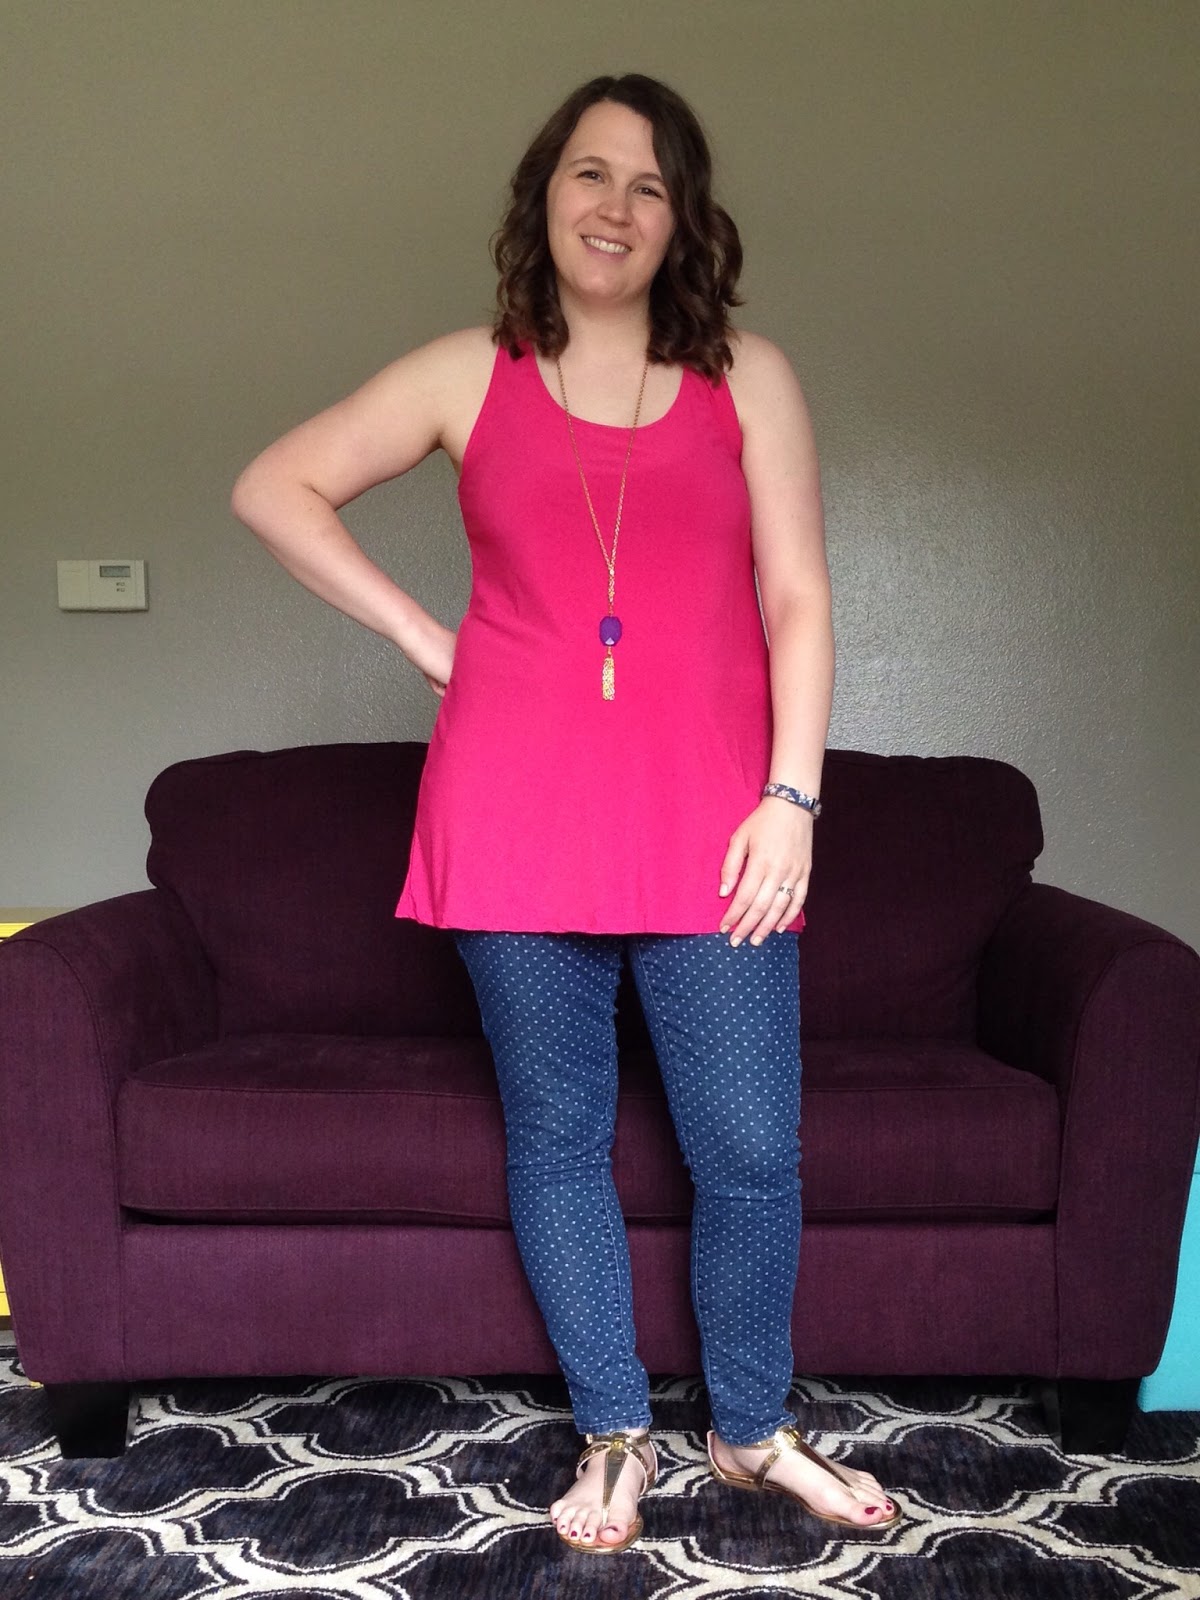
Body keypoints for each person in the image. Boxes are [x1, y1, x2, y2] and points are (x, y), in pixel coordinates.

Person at [232, 71, 899, 1554]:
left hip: (720, 825)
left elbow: (797, 596)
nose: (616, 206)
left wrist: (793, 795)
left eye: (651, 185)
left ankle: (750, 1429)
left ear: (684, 219)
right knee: (558, 1139)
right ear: (545, 194)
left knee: (751, 1148)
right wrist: (428, 641)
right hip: (512, 814)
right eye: (591, 173)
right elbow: (275, 486)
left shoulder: (748, 376)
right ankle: (613, 1433)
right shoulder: (466, 372)